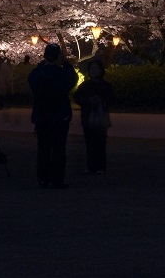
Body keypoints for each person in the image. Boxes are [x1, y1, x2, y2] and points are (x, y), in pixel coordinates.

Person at [28, 44, 78, 189]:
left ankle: (43, 178)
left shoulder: (37, 74)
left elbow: (31, 78)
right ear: (58, 57)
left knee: (43, 148)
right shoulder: (62, 74)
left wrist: (41, 65)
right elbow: (73, 78)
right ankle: (57, 179)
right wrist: (66, 63)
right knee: (59, 149)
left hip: (42, 116)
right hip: (60, 116)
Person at [73, 58, 113, 174]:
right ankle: (91, 166)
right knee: (89, 143)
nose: (94, 71)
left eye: (96, 68)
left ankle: (100, 166)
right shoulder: (85, 85)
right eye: (92, 69)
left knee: (100, 142)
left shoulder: (106, 85)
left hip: (100, 117)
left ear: (101, 70)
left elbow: (112, 99)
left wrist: (102, 102)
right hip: (87, 117)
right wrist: (88, 101)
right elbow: (77, 98)